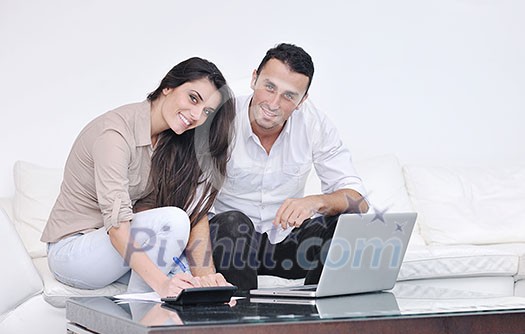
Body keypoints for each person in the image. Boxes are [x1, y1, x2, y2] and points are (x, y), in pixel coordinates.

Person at [41, 57, 236, 299]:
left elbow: (195, 213)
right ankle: (134, 325)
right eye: (193, 98)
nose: (197, 115)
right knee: (173, 223)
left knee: (191, 280)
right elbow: (118, 229)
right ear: (168, 86)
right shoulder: (115, 134)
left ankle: (132, 324)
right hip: (73, 253)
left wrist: (206, 277)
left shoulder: (169, 141)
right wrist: (163, 284)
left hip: (116, 253)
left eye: (207, 111)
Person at [209, 43, 369, 291]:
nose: (274, 103)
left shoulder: (314, 125)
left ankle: (317, 321)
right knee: (232, 223)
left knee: (346, 223)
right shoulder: (221, 118)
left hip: (285, 244)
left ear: (302, 100)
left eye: (289, 96)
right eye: (269, 87)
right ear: (254, 79)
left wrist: (315, 202)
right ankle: (241, 325)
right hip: (230, 244)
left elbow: (359, 201)